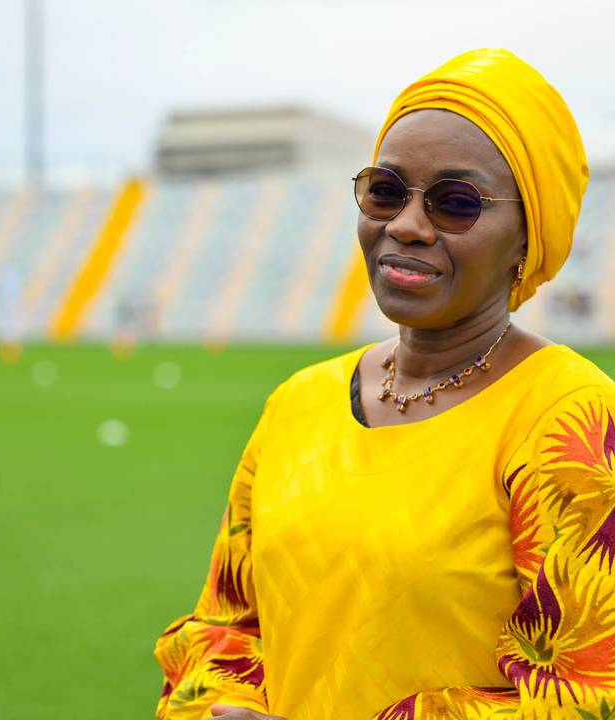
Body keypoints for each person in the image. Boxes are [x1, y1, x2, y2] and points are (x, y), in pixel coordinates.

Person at [153, 48, 615, 720]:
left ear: (528, 237)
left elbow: (592, 698)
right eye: (386, 191)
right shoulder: (299, 403)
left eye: (456, 203)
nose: (405, 225)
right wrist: (218, 704)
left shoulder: (569, 421)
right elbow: (223, 628)